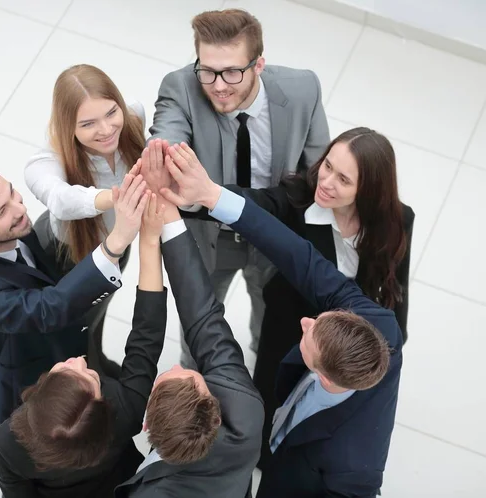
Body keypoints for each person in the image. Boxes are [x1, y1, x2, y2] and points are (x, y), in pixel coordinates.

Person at [159, 142, 405, 497]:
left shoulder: (350, 466)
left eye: (310, 337)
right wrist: (211, 195)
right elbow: (298, 255)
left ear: (321, 375)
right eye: (321, 319)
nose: (306, 323)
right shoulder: (378, 322)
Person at [149, 8, 330, 368]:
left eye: (232, 71)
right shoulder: (181, 88)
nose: (217, 84)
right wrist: (162, 160)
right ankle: (196, 385)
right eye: (208, 70)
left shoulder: (303, 89)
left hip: (274, 233)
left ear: (258, 65)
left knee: (275, 321)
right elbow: (166, 141)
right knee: (198, 329)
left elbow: (316, 174)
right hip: (209, 236)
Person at [240, 127, 414, 468]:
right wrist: (199, 196)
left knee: (330, 398)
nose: (326, 181)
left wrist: (397, 339)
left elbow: (397, 286)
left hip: (347, 330)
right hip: (289, 318)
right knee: (271, 387)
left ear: (368, 192)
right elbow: (252, 205)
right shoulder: (298, 197)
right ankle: (263, 453)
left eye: (343, 179)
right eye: (327, 165)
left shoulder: (398, 219)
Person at [0, 160, 148, 424]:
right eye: (1, 212)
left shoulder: (4, 227)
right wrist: (117, 241)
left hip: (66, 343)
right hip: (25, 370)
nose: (20, 209)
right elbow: (47, 308)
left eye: (11, 192)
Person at [0, 193, 168, 498]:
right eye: (92, 378)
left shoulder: (6, 444)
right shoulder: (126, 412)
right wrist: (150, 240)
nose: (81, 361)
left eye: (66, 372)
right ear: (104, 414)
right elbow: (146, 337)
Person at [115, 148, 263, 498]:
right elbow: (204, 320)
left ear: (146, 424)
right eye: (191, 372)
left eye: (168, 374)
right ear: (214, 410)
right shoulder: (243, 415)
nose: (179, 365)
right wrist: (167, 213)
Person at [25, 64, 146, 377]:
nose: (106, 130)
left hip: (115, 242)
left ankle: (95, 359)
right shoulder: (46, 160)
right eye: (88, 123)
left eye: (110, 113)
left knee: (95, 316)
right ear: (69, 127)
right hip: (66, 255)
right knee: (73, 325)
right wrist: (116, 197)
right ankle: (84, 371)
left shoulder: (133, 117)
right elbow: (62, 201)